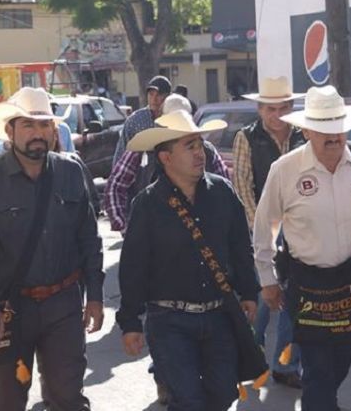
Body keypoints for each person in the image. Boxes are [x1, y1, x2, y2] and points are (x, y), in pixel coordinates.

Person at [253, 86, 351, 411]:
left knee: (340, 364)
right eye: (324, 129)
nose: (334, 136)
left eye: (338, 127)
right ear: (305, 130)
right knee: (318, 371)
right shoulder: (286, 169)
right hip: (305, 283)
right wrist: (267, 279)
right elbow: (264, 227)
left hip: (349, 282)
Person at [0, 87, 104, 410]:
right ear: (10, 131)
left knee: (67, 395)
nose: (37, 133)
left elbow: (89, 239)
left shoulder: (71, 171)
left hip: (64, 304)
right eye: (27, 125)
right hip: (11, 308)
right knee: (11, 396)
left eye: (44, 125)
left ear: (54, 131)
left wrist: (95, 296)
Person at [116, 109, 259, 411]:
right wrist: (130, 322)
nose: (200, 153)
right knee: (188, 401)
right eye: (190, 146)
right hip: (169, 322)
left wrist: (249, 291)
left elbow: (240, 246)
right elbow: (133, 268)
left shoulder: (222, 191)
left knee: (223, 395)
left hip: (219, 315)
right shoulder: (148, 204)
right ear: (165, 157)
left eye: (200, 145)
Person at [232, 76, 306, 387]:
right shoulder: (246, 138)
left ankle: (284, 366)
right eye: (270, 109)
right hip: (261, 229)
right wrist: (262, 229)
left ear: (291, 108)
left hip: (300, 230)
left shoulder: (303, 136)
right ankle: (251, 356)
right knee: (263, 297)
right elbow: (243, 187)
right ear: (261, 110)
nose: (276, 115)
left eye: (282, 108)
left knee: (294, 299)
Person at [105, 94, 229, 234]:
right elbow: (115, 185)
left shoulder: (208, 151)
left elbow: (226, 194)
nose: (197, 152)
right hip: (153, 233)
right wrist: (124, 227)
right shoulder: (142, 151)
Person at [112, 75, 172, 165]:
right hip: (140, 175)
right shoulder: (135, 121)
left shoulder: (174, 120)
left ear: (168, 97)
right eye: (151, 94)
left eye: (159, 95)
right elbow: (121, 154)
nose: (154, 99)